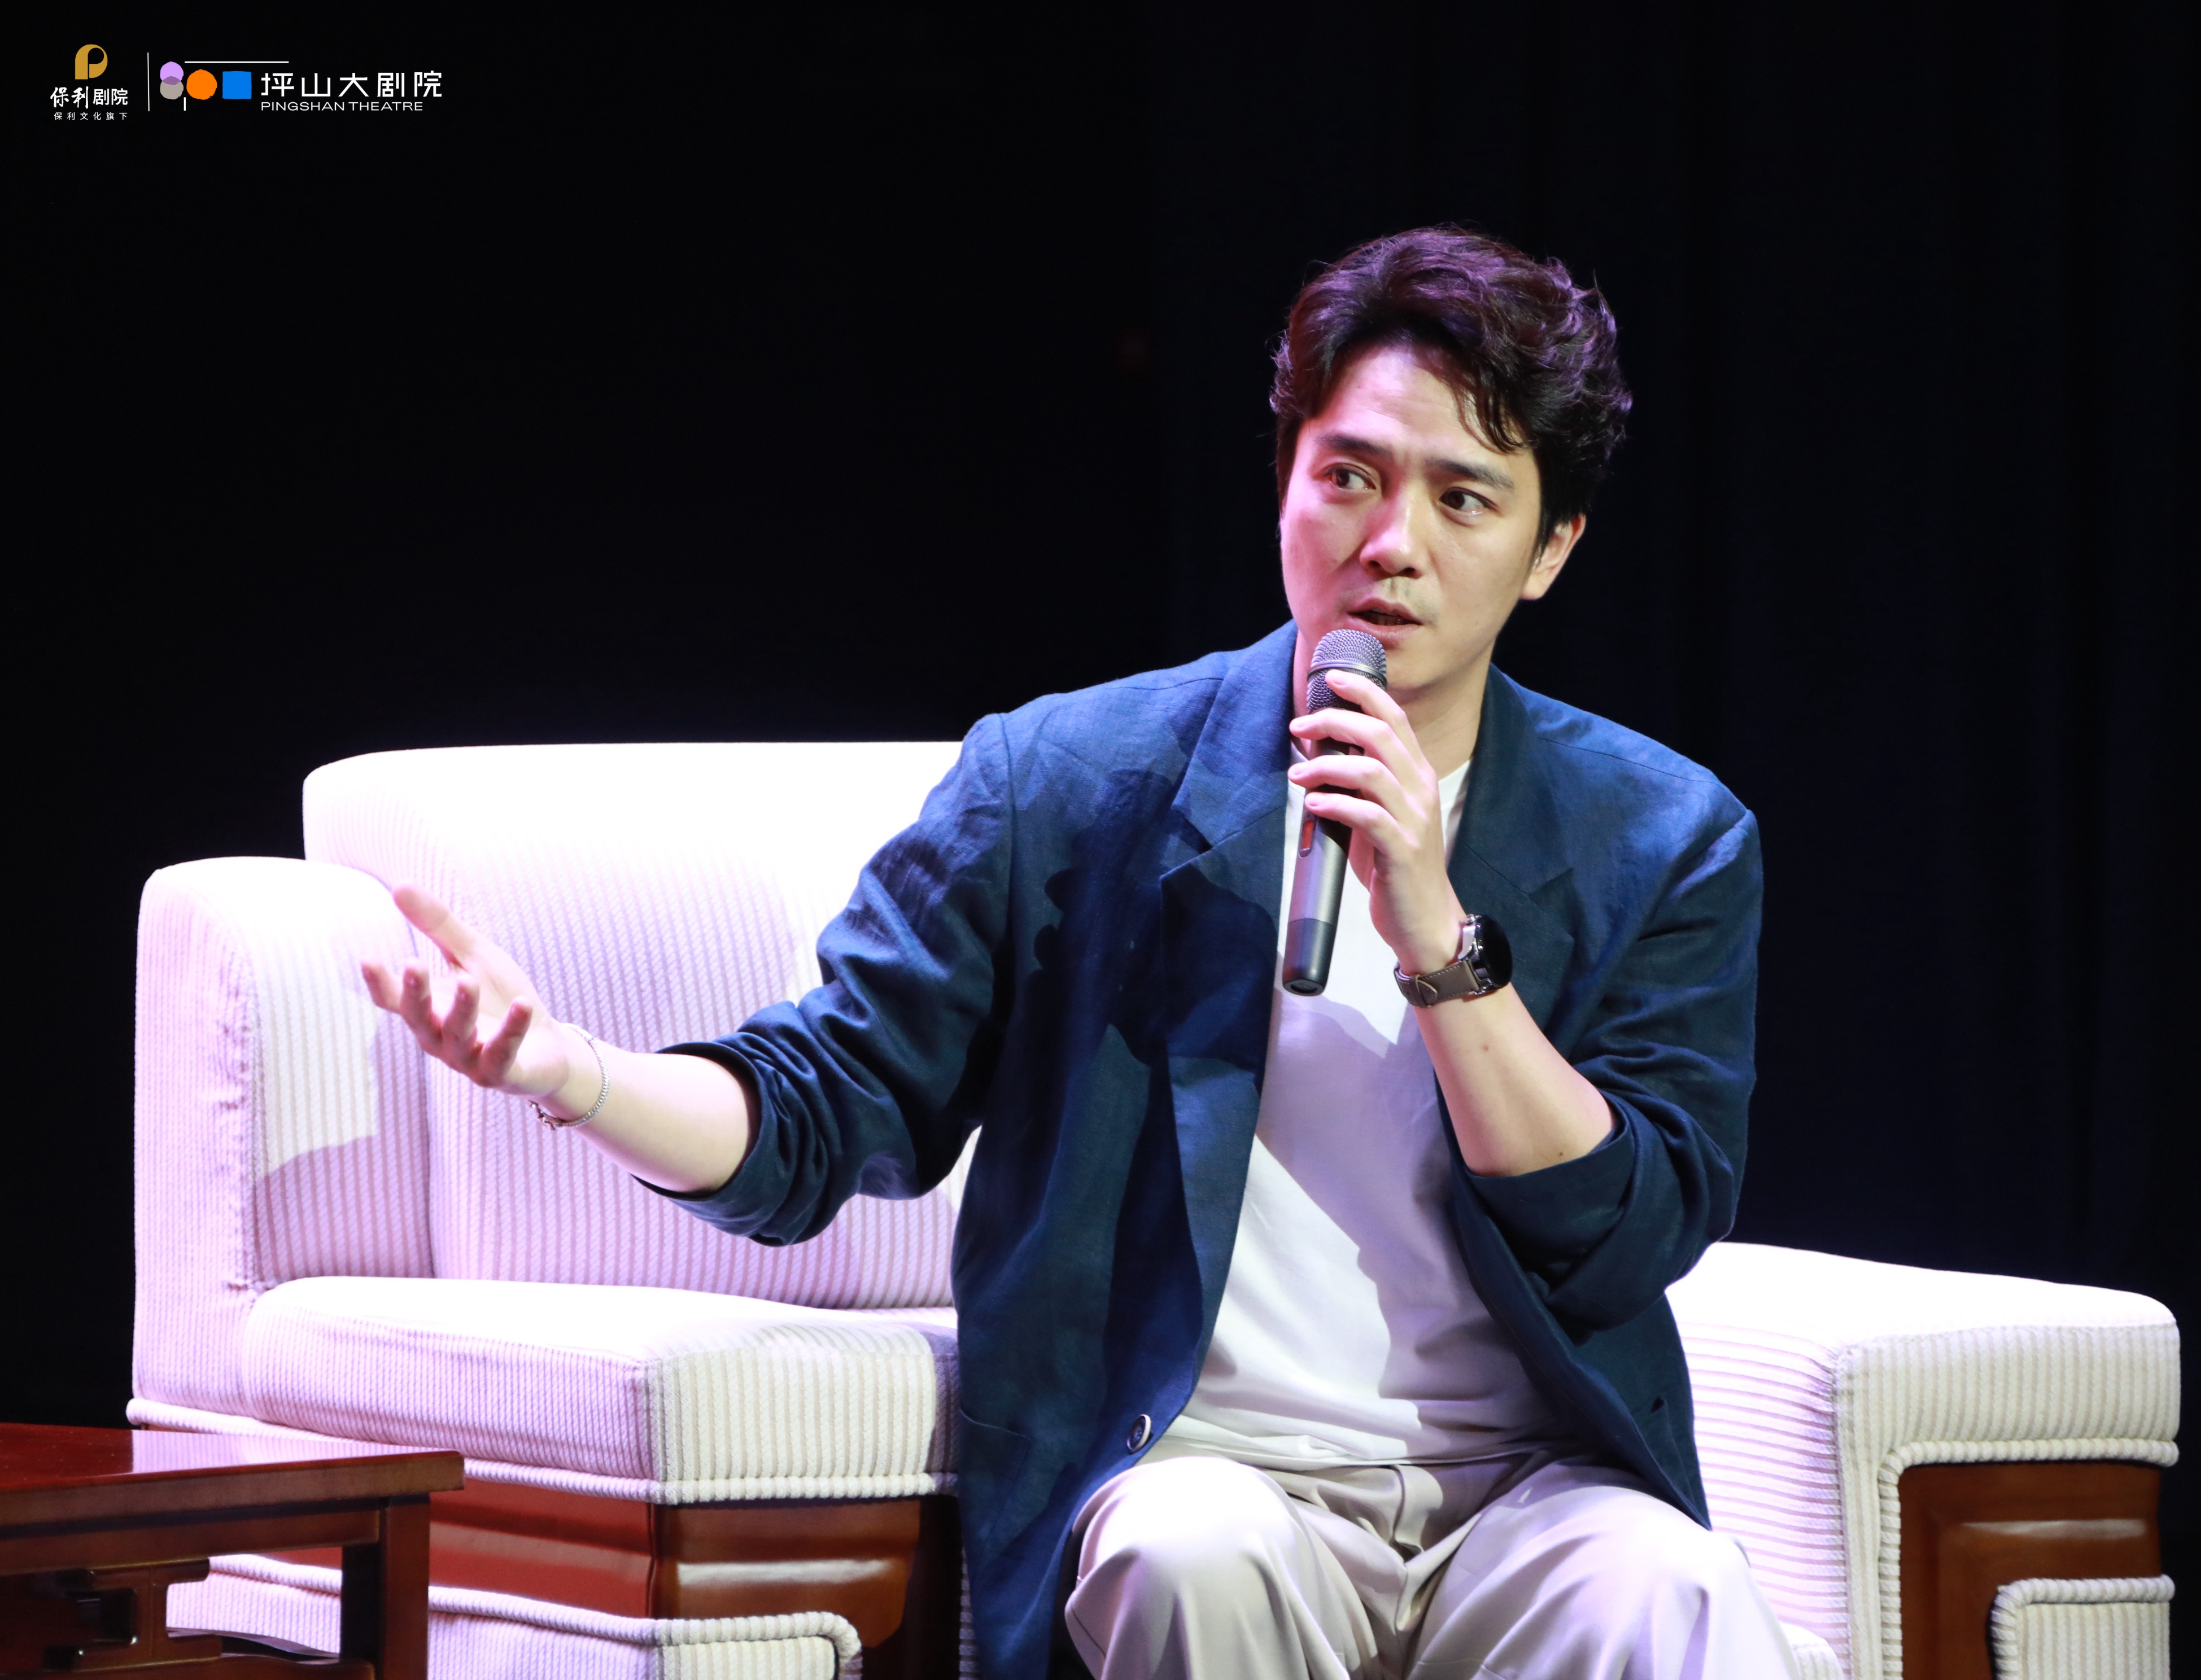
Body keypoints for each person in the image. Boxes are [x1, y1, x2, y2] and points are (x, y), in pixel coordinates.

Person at [363, 229, 1796, 1680]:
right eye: (1350, 477)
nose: (1393, 543)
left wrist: (1435, 936)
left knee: (1672, 1592)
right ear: (1286, 482)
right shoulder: (1070, 782)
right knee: (1190, 1557)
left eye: (1463, 497)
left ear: (1551, 549)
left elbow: (1633, 1228)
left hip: (1531, 1494)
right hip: (1211, 1469)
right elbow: (827, 1103)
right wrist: (575, 1075)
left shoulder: (1660, 836)